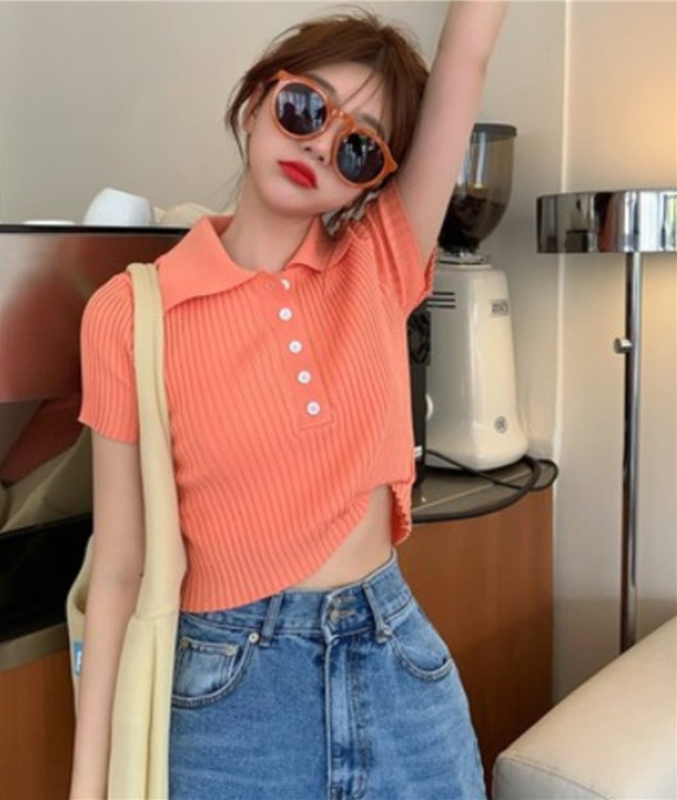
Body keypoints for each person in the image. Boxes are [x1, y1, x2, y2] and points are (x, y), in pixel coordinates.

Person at [70, 4, 508, 798]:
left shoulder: (380, 261)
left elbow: (467, 56)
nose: (318, 143)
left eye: (357, 147)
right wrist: (90, 783)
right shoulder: (128, 315)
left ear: (372, 180)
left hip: (397, 670)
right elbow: (118, 571)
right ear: (255, 100)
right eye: (305, 107)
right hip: (230, 700)